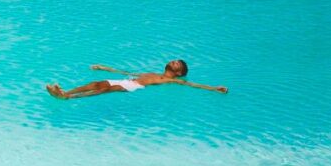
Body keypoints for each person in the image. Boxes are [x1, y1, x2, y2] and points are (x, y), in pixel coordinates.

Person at [46, 59, 228, 99]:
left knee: (107, 89)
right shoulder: (153, 73)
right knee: (97, 83)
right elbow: (125, 71)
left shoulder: (170, 80)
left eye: (177, 65)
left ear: (179, 73)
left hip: (133, 87)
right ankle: (64, 92)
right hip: (128, 80)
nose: (174, 62)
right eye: (174, 61)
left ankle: (68, 98)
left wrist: (213, 88)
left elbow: (192, 85)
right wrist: (105, 67)